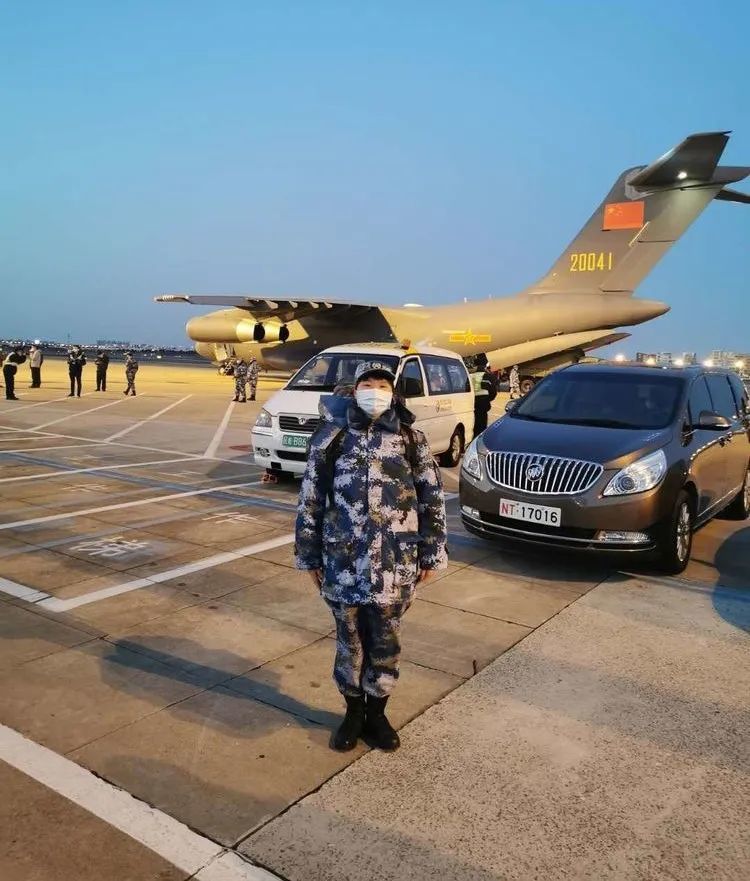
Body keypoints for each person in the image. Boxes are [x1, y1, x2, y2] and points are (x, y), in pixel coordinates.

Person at [296, 360, 448, 752]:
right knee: (349, 640)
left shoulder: (411, 439)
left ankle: (378, 715)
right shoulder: (331, 437)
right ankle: (353, 712)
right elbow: (311, 498)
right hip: (343, 563)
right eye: (368, 382)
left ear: (393, 391)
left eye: (383, 383)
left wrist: (432, 553)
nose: (375, 389)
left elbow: (432, 498)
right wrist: (309, 555)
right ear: (354, 388)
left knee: (385, 641)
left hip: (396, 564)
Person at [469, 354, 498, 436]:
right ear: (485, 364)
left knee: (472, 424)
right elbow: (493, 392)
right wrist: (487, 400)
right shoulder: (488, 376)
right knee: (481, 426)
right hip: (483, 403)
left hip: (471, 403)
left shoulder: (470, 375)